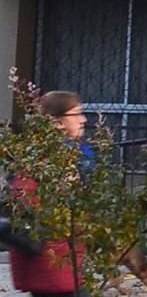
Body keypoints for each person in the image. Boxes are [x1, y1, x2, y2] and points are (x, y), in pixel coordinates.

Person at [7, 90, 92, 297]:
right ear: (57, 122)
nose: (84, 120)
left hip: (61, 262)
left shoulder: (66, 155)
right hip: (53, 262)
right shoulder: (47, 163)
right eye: (77, 114)